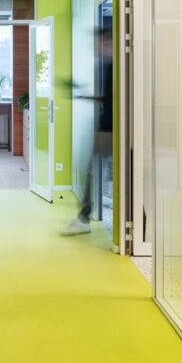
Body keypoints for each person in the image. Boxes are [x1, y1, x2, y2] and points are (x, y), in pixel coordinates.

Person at [61, 27, 113, 236]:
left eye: (100, 42)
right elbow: (109, 99)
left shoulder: (117, 66)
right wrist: (85, 96)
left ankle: (85, 218)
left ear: (107, 41)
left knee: (100, 172)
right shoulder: (107, 66)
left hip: (115, 130)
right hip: (106, 128)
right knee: (91, 170)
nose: (96, 46)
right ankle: (84, 217)